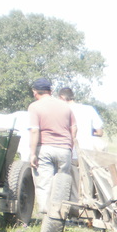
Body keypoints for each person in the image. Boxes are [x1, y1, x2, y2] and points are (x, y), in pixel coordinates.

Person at [28, 77, 77, 214]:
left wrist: (32, 154)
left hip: (45, 148)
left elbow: (34, 130)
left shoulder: (34, 107)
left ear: (35, 92)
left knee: (44, 183)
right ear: (50, 91)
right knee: (62, 184)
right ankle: (60, 213)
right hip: (64, 149)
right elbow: (74, 128)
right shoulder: (65, 106)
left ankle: (47, 215)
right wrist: (70, 147)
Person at [57, 87, 106, 159]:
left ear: (62, 97)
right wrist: (88, 132)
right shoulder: (89, 109)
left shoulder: (61, 110)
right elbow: (100, 133)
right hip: (87, 152)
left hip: (69, 152)